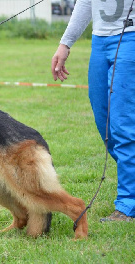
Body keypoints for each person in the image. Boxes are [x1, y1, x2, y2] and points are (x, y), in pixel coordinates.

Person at [51, 0, 135, 222]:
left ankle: (128, 203)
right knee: (104, 123)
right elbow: (86, 2)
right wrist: (65, 44)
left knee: (122, 125)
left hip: (130, 38)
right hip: (99, 42)